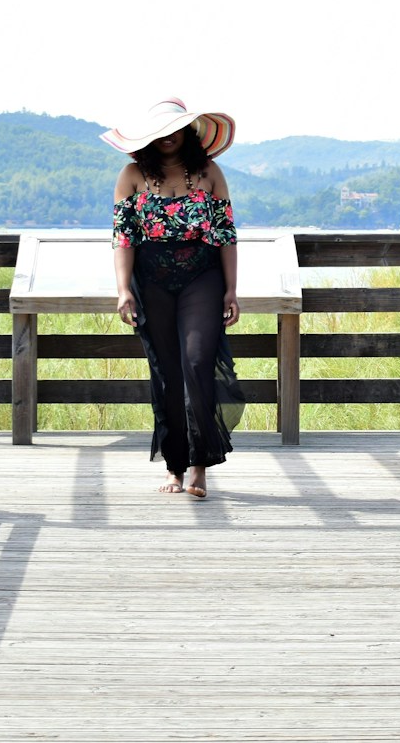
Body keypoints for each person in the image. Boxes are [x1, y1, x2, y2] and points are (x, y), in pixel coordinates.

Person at [102, 98, 240, 499]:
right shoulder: (131, 175)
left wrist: (232, 289)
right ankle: (174, 466)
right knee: (166, 371)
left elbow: (225, 235)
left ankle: (200, 465)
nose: (168, 136)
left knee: (197, 362)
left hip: (203, 275)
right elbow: (123, 238)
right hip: (152, 279)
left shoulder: (209, 172)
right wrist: (124, 289)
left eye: (175, 128)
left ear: (189, 132)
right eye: (160, 131)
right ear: (149, 137)